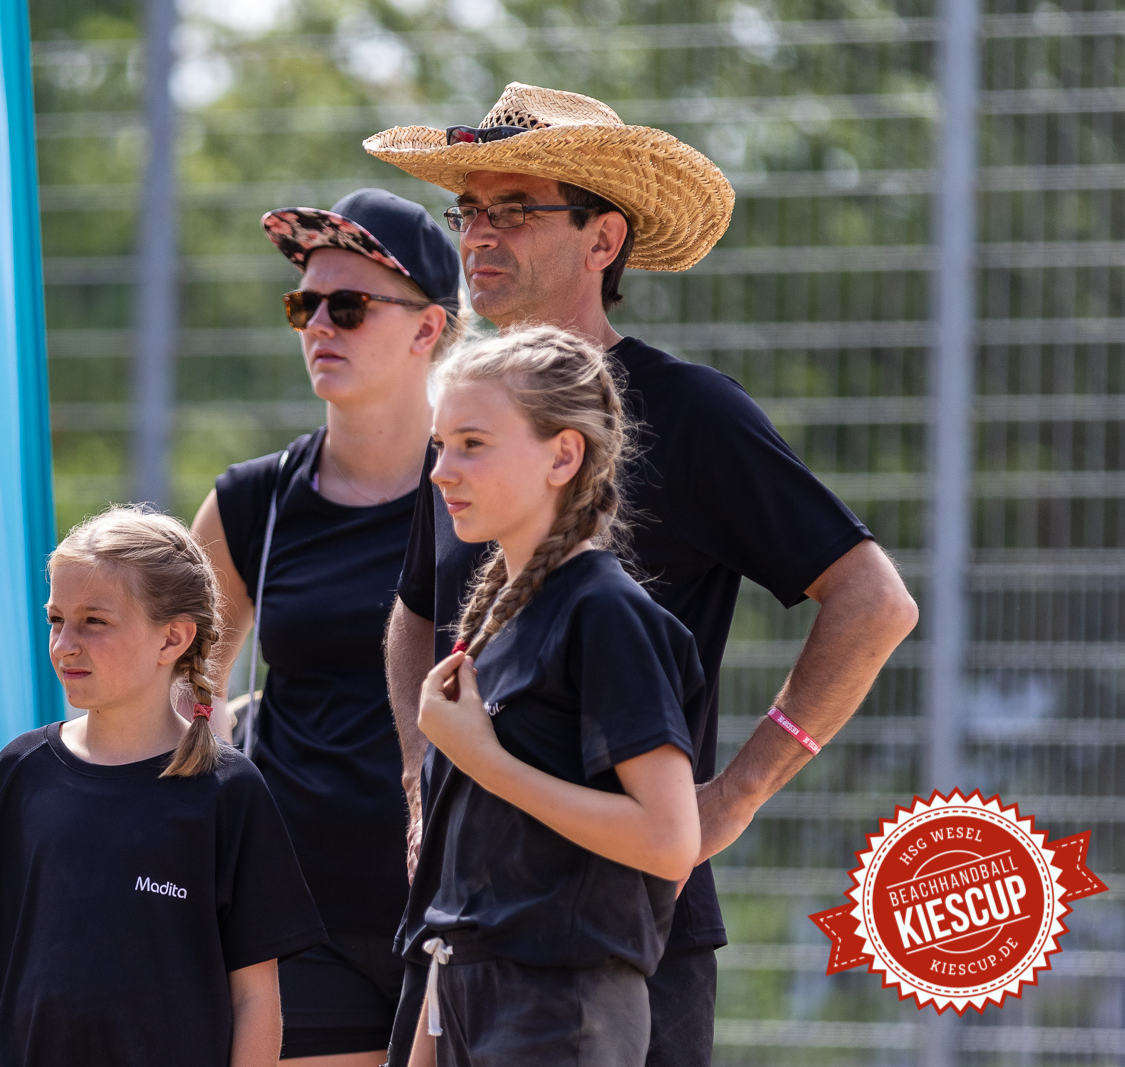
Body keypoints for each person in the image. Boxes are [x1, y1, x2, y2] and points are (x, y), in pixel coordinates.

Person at [366, 83, 919, 1066]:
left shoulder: (691, 412)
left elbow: (874, 601)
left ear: (602, 239)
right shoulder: (464, 420)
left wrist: (734, 794)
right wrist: (425, 782)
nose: (478, 236)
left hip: (619, 941)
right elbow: (414, 619)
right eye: (468, 212)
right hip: (465, 928)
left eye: (514, 210)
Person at [190, 188, 461, 1065]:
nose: (318, 325)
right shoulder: (252, 502)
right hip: (297, 921)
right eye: (304, 303)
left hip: (461, 909)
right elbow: (185, 692)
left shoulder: (482, 495)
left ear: (429, 329)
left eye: (348, 305)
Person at [411, 326, 702, 1066]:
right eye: (439, 444)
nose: (443, 470)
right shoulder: (500, 619)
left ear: (563, 455)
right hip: (463, 998)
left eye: (472, 442)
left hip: (558, 1009)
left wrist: (483, 759)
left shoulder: (604, 611)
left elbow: (670, 840)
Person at [0, 507, 327, 1067]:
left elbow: (255, 996)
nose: (64, 645)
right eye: (56, 619)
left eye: (94, 622)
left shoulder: (228, 791)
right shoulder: (19, 772)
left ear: (173, 638)